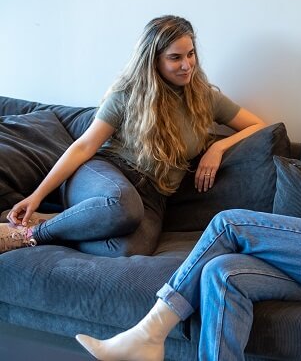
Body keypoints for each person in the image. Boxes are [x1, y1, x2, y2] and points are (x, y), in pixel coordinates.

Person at [75, 58, 301, 361]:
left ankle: (150, 332)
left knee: (229, 223)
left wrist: (298, 232)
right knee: (223, 273)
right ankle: (151, 338)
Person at [0, 15, 266, 257]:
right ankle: (28, 234)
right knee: (122, 204)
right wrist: (36, 195)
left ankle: (56, 221)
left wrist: (217, 148)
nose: (187, 65)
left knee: (127, 249)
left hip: (152, 194)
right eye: (175, 57)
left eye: (191, 54)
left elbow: (258, 125)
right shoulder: (126, 96)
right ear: (154, 60)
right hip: (104, 173)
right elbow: (83, 146)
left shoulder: (204, 98)